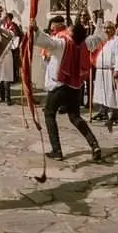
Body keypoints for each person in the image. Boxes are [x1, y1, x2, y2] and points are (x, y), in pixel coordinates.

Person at [32, 15, 101, 161]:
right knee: (75, 116)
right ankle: (94, 144)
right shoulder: (85, 42)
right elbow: (97, 38)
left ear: (56, 27)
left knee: (49, 114)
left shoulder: (61, 41)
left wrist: (36, 29)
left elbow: (46, 42)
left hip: (60, 84)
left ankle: (57, 150)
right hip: (75, 86)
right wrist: (99, 22)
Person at [92, 21, 118, 131]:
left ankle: (114, 116)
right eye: (105, 28)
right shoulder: (106, 42)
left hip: (112, 71)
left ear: (113, 29)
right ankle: (103, 112)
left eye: (109, 28)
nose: (106, 30)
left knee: (114, 94)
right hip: (103, 72)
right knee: (105, 93)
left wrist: (117, 70)